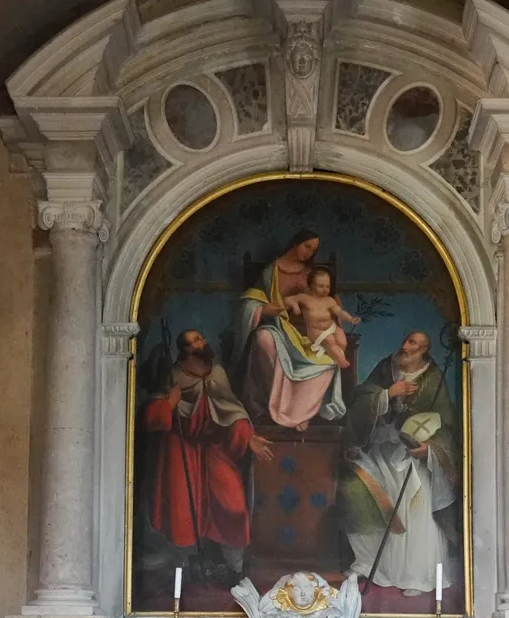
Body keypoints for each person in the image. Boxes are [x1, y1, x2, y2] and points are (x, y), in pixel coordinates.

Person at [139, 329, 273, 578]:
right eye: (196, 341)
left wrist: (249, 438)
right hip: (181, 449)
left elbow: (231, 410)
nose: (203, 342)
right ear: (186, 350)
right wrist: (170, 403)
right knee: (182, 512)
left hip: (214, 448)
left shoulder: (218, 374)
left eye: (201, 338)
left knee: (232, 504)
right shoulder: (173, 376)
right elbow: (150, 417)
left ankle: (235, 569)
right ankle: (184, 569)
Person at [338, 330, 461, 595]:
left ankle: (417, 575)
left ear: (424, 350)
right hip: (380, 451)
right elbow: (359, 399)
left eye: (413, 343)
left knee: (417, 503)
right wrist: (386, 395)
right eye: (405, 340)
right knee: (353, 491)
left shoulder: (433, 379)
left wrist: (429, 450)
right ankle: (368, 562)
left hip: (414, 457)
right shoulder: (386, 367)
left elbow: (447, 424)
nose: (405, 346)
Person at [233, 230, 346, 430]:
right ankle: (277, 406)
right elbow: (250, 302)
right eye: (307, 246)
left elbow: (327, 302)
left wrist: (334, 306)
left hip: (310, 333)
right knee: (263, 337)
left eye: (313, 250)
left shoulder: (312, 274)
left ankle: (303, 411)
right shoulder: (270, 273)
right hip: (279, 328)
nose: (309, 252)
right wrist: (264, 309)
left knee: (329, 354)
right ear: (295, 243)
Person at [285, 266, 360, 370]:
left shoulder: (329, 300)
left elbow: (340, 312)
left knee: (342, 341)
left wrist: (351, 319)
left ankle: (335, 356)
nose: (325, 289)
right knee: (330, 340)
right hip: (317, 331)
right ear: (311, 285)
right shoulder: (304, 298)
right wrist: (295, 306)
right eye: (321, 286)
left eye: (327, 286)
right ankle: (340, 360)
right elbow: (287, 300)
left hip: (331, 327)